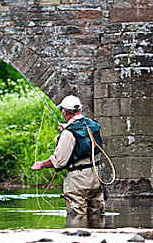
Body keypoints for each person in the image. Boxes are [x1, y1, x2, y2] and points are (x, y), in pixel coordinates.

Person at [31, 95, 105, 225]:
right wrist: (67, 129)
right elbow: (82, 136)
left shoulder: (68, 133)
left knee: (77, 218)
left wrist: (41, 165)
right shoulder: (92, 125)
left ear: (65, 111)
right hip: (96, 176)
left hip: (78, 181)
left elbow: (59, 162)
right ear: (79, 110)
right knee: (97, 216)